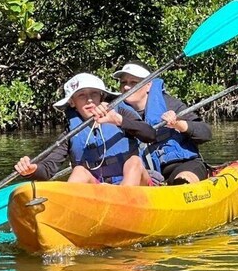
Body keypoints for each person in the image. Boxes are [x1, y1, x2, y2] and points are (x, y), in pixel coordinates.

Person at [13, 72, 156, 186]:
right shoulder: (70, 133)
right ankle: (69, 211)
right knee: (79, 171)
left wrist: (118, 120)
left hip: (135, 187)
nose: (89, 100)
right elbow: (48, 169)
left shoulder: (121, 113)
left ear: (101, 96)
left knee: (134, 162)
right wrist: (32, 170)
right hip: (98, 188)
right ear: (72, 102)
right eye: (81, 95)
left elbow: (150, 135)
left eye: (94, 93)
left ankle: (124, 203)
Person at [112, 60, 212, 184]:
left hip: (180, 165)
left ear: (148, 85)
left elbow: (205, 133)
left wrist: (178, 124)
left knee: (183, 178)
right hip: (145, 173)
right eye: (123, 82)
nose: (126, 87)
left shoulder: (169, 104)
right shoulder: (114, 113)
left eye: (133, 83)